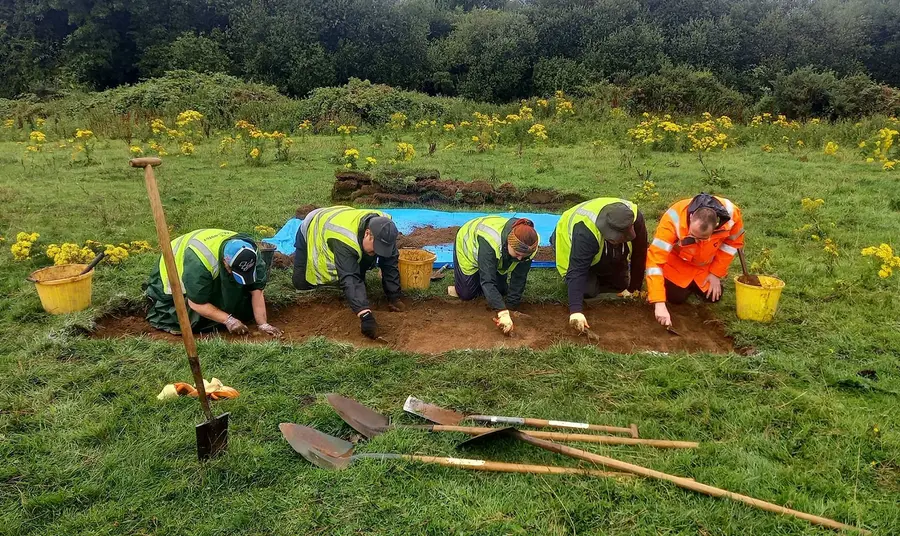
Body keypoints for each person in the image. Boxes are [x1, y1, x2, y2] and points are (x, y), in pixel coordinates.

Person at [292, 206, 403, 339]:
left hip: (342, 216)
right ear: (367, 233)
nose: (377, 253)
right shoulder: (344, 237)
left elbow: (390, 263)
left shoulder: (386, 228)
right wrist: (365, 315)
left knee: (361, 269)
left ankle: (356, 295)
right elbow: (349, 277)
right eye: (375, 249)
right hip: (313, 225)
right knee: (300, 283)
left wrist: (394, 296)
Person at [145, 229, 282, 337]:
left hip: (208, 267)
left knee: (240, 307)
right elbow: (196, 303)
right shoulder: (200, 262)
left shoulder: (251, 253)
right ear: (225, 262)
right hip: (174, 273)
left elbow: (256, 291)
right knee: (190, 319)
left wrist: (263, 324)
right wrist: (229, 320)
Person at [646, 193, 745, 327]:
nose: (697, 241)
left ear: (716, 225)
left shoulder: (732, 215)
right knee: (675, 297)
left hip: (704, 267)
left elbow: (732, 244)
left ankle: (694, 284)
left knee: (714, 297)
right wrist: (659, 303)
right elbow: (655, 262)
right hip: (678, 263)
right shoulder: (673, 219)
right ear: (691, 217)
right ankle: (680, 285)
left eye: (703, 238)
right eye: (693, 236)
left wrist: (715, 274)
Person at [552, 198, 648, 334]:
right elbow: (577, 270)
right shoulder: (585, 231)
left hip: (600, 246)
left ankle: (603, 270)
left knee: (620, 285)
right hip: (570, 243)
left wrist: (634, 288)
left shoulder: (635, 218)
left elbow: (640, 252)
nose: (614, 239)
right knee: (587, 290)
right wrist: (576, 312)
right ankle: (594, 275)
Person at [449, 216, 540, 334]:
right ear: (509, 243)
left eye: (524, 256)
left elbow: (519, 277)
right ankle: (463, 283)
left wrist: (511, 308)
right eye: (517, 253)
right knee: (466, 294)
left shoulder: (530, 245)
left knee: (501, 290)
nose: (520, 258)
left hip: (498, 255)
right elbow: (487, 281)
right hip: (470, 247)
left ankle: (486, 283)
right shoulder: (491, 241)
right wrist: (502, 312)